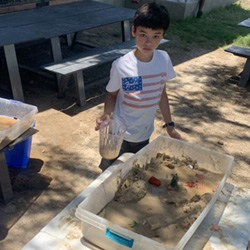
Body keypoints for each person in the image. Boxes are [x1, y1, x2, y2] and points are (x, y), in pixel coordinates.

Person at [95, 2, 181, 172]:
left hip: (144, 134)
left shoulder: (163, 60)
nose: (148, 42)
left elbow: (161, 93)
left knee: (133, 172)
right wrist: (106, 115)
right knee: (108, 175)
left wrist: (169, 125)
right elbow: (112, 95)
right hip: (119, 135)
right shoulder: (121, 65)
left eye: (156, 36)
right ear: (133, 31)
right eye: (143, 34)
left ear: (163, 35)